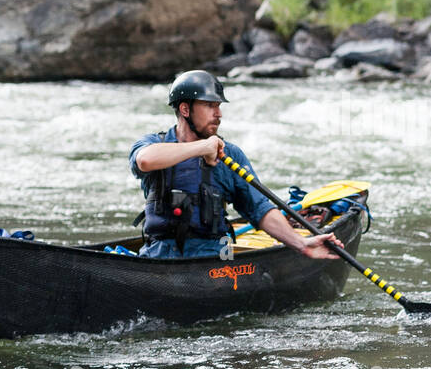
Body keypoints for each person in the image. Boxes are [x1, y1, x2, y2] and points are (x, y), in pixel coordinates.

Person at [130, 69, 343, 260]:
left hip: (213, 257)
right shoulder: (153, 144)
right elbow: (145, 160)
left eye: (219, 106)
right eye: (209, 105)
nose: (219, 114)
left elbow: (260, 209)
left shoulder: (230, 155)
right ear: (185, 109)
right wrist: (203, 148)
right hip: (158, 256)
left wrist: (302, 244)